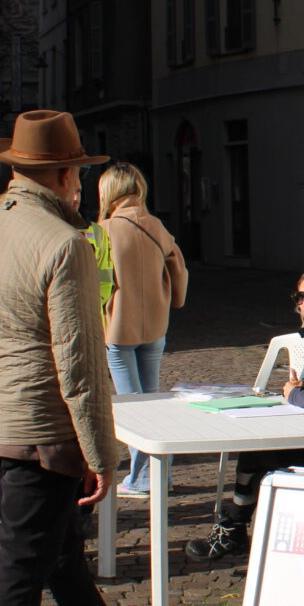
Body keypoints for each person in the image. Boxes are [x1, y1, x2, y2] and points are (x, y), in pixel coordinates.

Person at [0, 110, 165, 606]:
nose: (79, 186)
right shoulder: (63, 242)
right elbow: (77, 361)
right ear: (65, 175)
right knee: (24, 559)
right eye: (77, 174)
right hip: (38, 425)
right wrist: (102, 453)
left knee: (52, 545)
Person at [186, 268, 304, 561]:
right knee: (256, 452)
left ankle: (239, 532)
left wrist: (294, 394)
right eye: (300, 296)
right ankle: (240, 529)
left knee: (257, 455)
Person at [98, 162, 189, 500]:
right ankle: (158, 473)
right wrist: (174, 299)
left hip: (118, 329)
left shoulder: (103, 229)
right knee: (150, 401)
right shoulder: (156, 226)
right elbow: (178, 268)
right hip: (155, 325)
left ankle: (141, 478)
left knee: (133, 406)